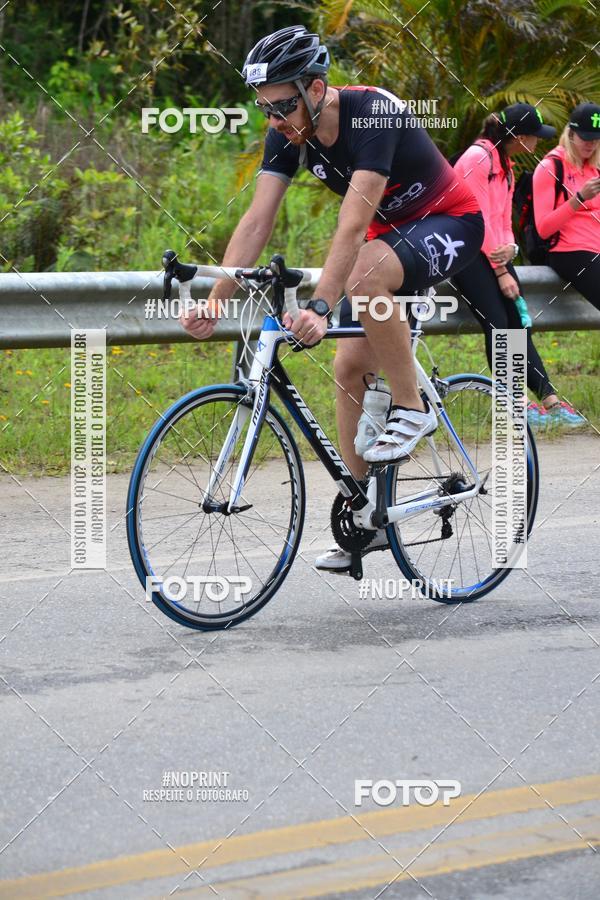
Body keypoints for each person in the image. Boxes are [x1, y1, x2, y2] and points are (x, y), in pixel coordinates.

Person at [180, 25, 485, 573]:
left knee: (365, 273)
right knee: (348, 367)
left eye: (282, 106)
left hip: (449, 220)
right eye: (264, 108)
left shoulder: (374, 116)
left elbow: (352, 226)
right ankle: (367, 515)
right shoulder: (288, 133)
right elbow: (256, 221)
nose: (272, 120)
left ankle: (412, 407)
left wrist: (320, 307)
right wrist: (216, 299)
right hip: (386, 240)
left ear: (316, 88)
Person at [452, 103, 585, 428]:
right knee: (498, 322)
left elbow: (501, 219)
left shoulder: (505, 166)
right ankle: (514, 403)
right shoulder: (477, 159)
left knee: (517, 319)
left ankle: (549, 399)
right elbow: (476, 218)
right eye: (535, 136)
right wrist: (500, 273)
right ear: (520, 137)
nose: (539, 142)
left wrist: (509, 251)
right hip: (464, 250)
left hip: (493, 251)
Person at [533, 102, 600, 309]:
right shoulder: (551, 166)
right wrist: (578, 198)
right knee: (505, 320)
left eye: (596, 139)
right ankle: (513, 340)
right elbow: (543, 229)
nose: (591, 144)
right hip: (571, 252)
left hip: (596, 249)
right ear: (571, 134)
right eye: (585, 138)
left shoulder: (594, 168)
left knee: (509, 321)